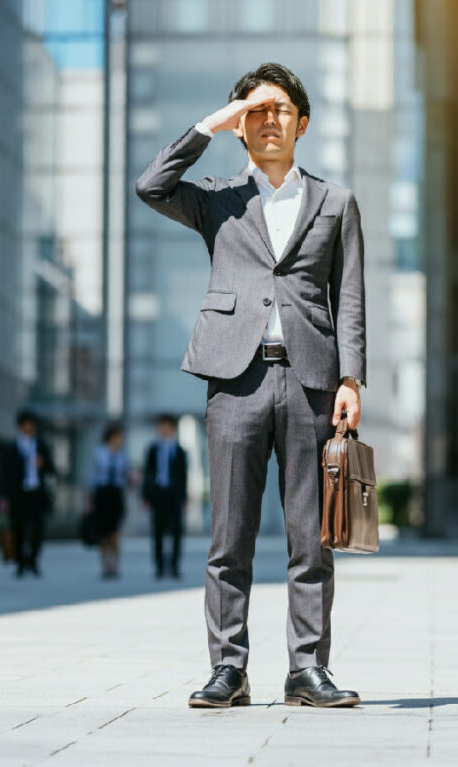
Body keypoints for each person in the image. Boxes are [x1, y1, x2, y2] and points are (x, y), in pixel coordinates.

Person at [136, 62, 366, 708]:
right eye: (255, 112)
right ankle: (228, 668)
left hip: (311, 380)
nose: (269, 121)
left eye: (281, 110)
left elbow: (349, 296)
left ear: (304, 123)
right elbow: (151, 185)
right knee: (228, 535)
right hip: (233, 377)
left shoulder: (336, 202)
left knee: (311, 538)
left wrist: (351, 377)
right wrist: (213, 121)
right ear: (241, 126)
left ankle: (306, 669)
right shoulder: (215, 198)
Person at [0, 409, 55, 578]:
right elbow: (4, 474)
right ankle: (20, 563)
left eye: (32, 424)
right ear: (21, 426)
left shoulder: (41, 446)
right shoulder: (12, 447)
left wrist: (43, 464)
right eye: (27, 424)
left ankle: (33, 560)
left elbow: (52, 470)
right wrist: (3, 496)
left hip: (36, 493)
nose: (30, 427)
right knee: (18, 529)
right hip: (18, 494)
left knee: (38, 528)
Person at [142, 414, 188, 579]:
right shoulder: (153, 450)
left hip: (174, 495)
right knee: (158, 532)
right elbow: (147, 474)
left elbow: (184, 476)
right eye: (161, 426)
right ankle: (160, 567)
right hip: (158, 494)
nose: (164, 429)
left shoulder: (180, 450)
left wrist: (184, 498)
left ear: (173, 428)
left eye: (167, 426)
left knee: (176, 532)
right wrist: (145, 496)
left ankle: (175, 566)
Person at [89, 422, 129, 579]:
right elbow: (92, 476)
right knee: (103, 532)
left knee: (115, 531)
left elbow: (126, 475)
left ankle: (115, 564)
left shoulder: (122, 455)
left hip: (116, 494)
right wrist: (89, 499)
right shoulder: (100, 453)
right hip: (102, 494)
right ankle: (105, 564)